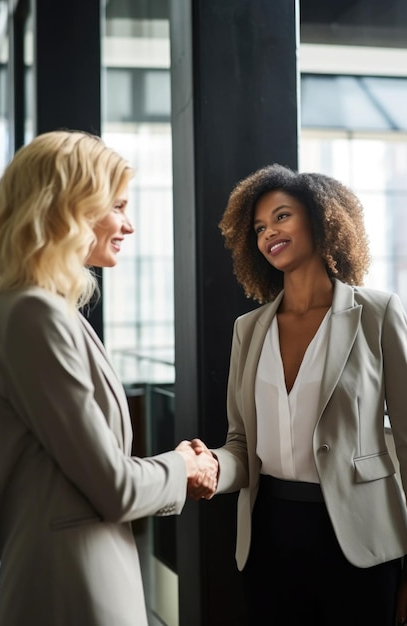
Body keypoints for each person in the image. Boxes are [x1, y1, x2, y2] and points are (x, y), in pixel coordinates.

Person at [0, 130, 217, 626]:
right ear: (71, 206)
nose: (128, 225)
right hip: (72, 588)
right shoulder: (34, 314)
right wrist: (183, 466)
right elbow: (115, 487)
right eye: (117, 205)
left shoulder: (47, 310)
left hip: (81, 574)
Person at [189, 163, 407, 625]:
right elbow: (242, 447)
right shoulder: (248, 330)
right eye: (260, 227)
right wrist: (208, 465)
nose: (269, 233)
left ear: (321, 217)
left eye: (282, 217)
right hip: (269, 537)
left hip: (361, 540)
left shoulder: (377, 313)